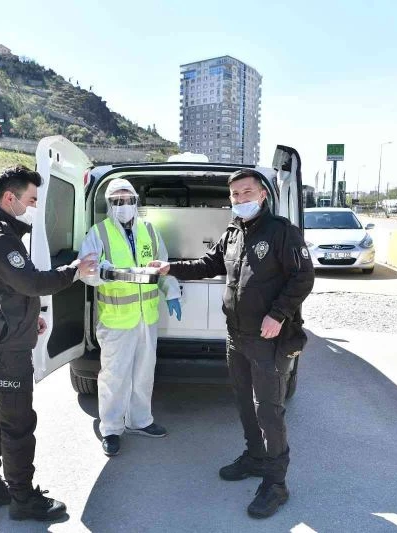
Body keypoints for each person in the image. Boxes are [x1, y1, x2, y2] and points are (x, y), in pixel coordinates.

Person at [150, 168, 314, 518]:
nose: (240, 199)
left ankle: (276, 483)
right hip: (236, 335)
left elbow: (304, 277)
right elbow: (209, 264)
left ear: (263, 195)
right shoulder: (233, 231)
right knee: (243, 401)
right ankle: (255, 457)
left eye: (247, 192)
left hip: (268, 338)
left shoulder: (283, 232)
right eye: (235, 195)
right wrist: (170, 268)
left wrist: (279, 314)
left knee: (269, 410)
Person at [0, 165, 98, 521]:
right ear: (10, 198)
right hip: (5, 352)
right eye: (32, 199)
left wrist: (27, 316)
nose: (35, 206)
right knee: (18, 425)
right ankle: (22, 500)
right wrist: (75, 270)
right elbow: (32, 282)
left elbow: (5, 288)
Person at [79, 178, 182, 457]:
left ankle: (140, 420)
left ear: (137, 202)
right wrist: (104, 271)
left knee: (144, 372)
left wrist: (171, 292)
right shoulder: (98, 232)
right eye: (117, 201)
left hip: (146, 318)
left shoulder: (149, 230)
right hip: (115, 319)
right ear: (110, 205)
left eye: (128, 200)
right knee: (114, 377)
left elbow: (162, 266)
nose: (124, 206)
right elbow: (85, 271)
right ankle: (111, 429)